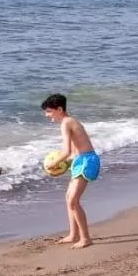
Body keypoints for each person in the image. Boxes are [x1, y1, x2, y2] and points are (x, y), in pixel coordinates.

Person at [42, 93, 99, 248]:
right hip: (81, 160)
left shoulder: (66, 123)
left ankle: (85, 238)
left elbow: (66, 151)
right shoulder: (70, 121)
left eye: (49, 111)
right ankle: (74, 235)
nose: (47, 115)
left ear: (59, 109)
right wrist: (66, 164)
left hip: (87, 161)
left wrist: (52, 163)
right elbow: (74, 152)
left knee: (73, 201)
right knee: (69, 198)